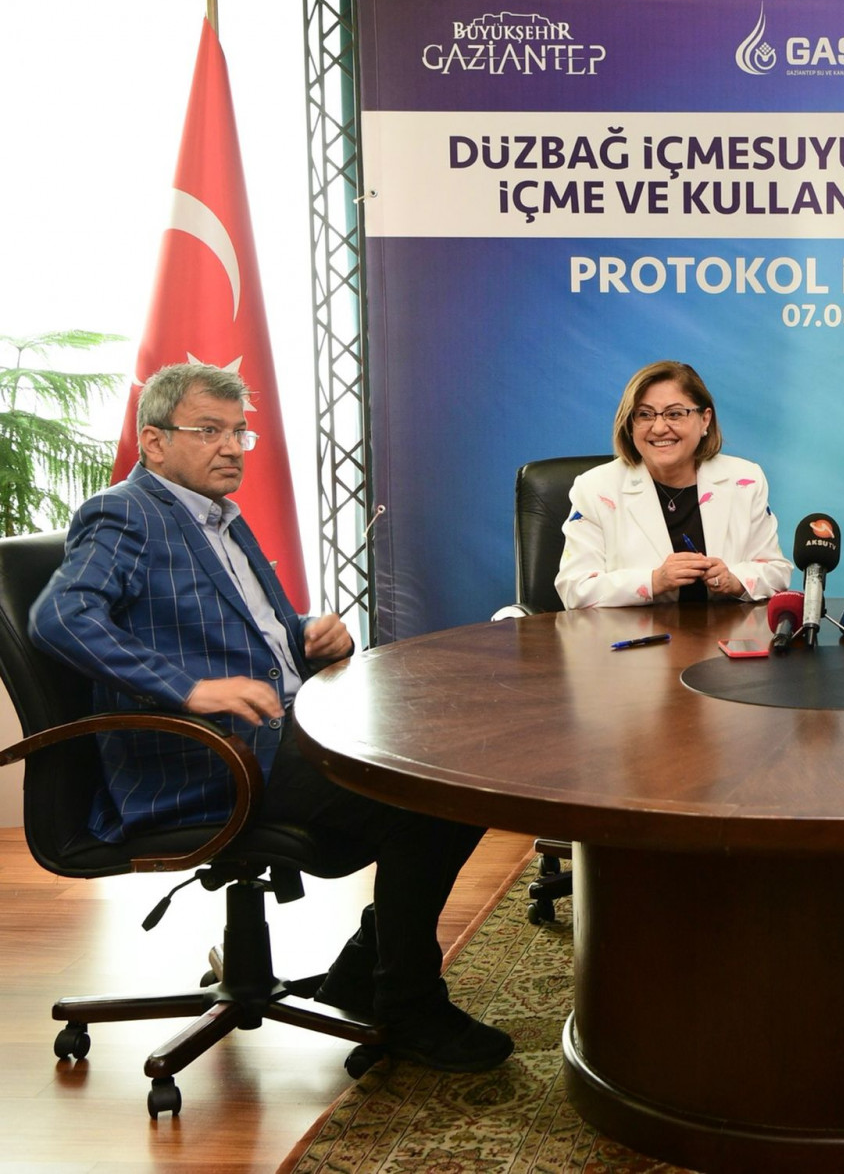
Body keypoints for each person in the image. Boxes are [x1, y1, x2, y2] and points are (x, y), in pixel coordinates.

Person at [29, 362, 513, 1073]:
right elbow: (61, 617)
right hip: (204, 757)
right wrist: (189, 689)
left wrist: (309, 637)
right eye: (209, 431)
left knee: (460, 767)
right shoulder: (125, 512)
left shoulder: (220, 516)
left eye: (239, 432)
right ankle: (407, 1002)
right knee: (427, 798)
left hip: (275, 732)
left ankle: (367, 967)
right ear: (154, 442)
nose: (232, 447)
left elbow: (251, 635)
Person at [555, 360, 792, 608]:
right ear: (630, 424)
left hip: (725, 630)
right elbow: (575, 589)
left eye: (675, 414)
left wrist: (734, 580)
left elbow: (777, 573)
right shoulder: (595, 488)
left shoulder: (745, 480)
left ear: (705, 420)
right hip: (630, 632)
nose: (659, 428)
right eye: (644, 415)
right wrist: (653, 581)